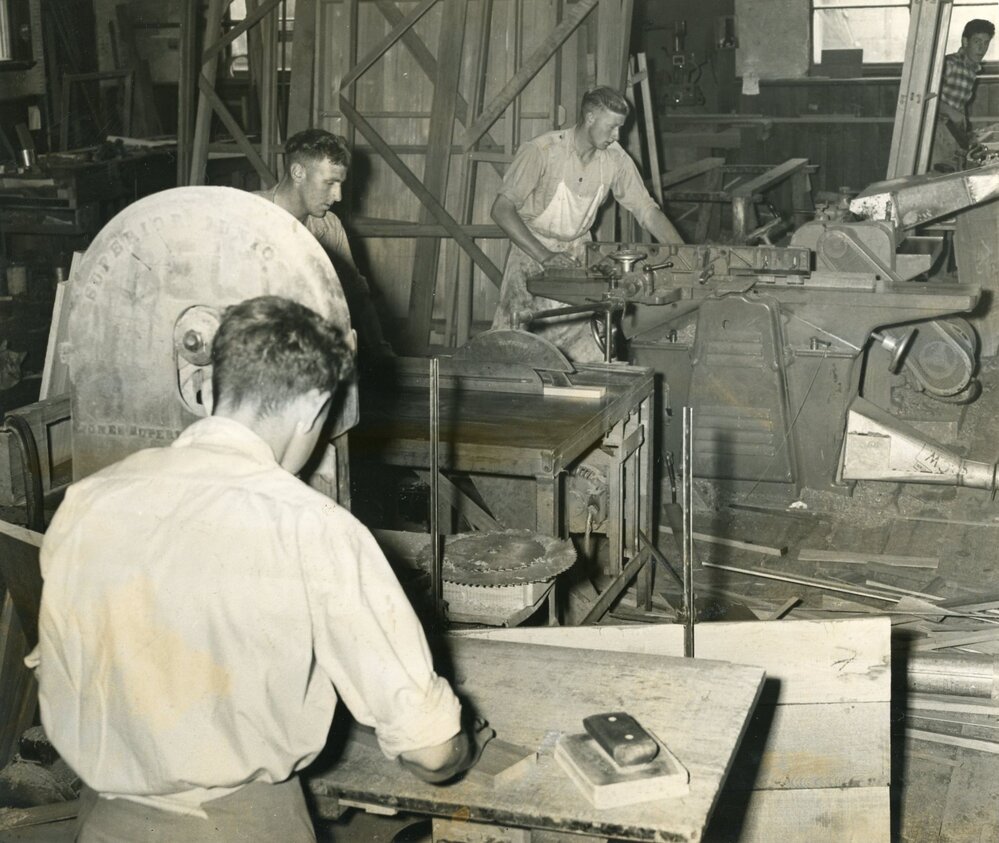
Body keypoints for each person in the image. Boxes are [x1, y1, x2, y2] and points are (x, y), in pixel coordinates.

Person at [32, 295, 473, 841]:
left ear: (211, 386)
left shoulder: (88, 502)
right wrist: (457, 749)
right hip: (237, 826)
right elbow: (429, 752)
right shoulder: (312, 527)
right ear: (314, 405)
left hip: (102, 821)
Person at [490, 86, 683, 362]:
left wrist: (683, 252)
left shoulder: (615, 159)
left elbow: (647, 210)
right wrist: (545, 256)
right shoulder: (543, 151)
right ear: (590, 118)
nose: (618, 136)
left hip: (577, 253)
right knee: (515, 344)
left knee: (586, 344)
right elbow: (501, 210)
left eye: (621, 128)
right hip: (531, 255)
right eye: (613, 127)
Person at [257, 129, 394, 358]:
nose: (338, 196)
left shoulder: (329, 227)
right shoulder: (247, 215)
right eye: (329, 183)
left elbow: (357, 295)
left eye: (340, 184)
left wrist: (381, 350)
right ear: (298, 172)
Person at [932, 19, 995, 173]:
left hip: (953, 130)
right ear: (965, 41)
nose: (982, 48)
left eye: (986, 43)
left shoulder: (971, 69)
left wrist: (967, 132)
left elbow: (959, 105)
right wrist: (954, 115)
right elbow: (929, 97)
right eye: (977, 41)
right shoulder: (949, 64)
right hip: (938, 132)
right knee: (940, 177)